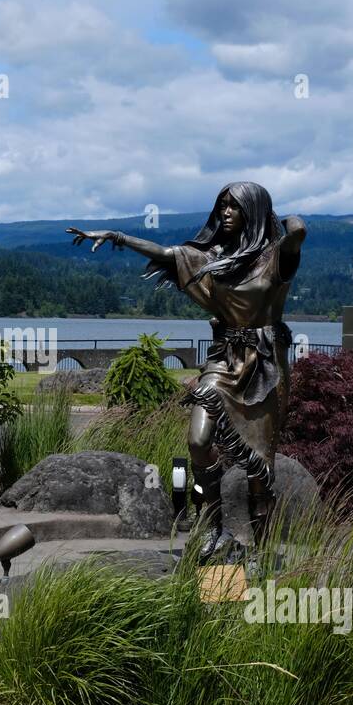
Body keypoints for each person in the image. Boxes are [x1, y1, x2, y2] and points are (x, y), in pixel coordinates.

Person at [69, 181, 306, 561]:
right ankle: (212, 526)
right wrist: (116, 235)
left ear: (254, 212)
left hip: (264, 366)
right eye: (222, 206)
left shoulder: (276, 257)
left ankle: (261, 553)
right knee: (198, 441)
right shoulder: (212, 256)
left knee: (259, 464)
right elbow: (165, 253)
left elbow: (298, 231)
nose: (225, 213)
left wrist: (277, 219)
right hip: (224, 357)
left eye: (234, 207)